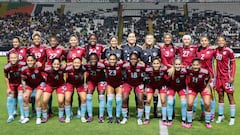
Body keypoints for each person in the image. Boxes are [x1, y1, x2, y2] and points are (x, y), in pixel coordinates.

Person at [215, 36, 236, 125]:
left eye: (222, 40)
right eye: (219, 41)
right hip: (218, 78)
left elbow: (233, 64)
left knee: (230, 97)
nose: (220, 42)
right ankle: (220, 115)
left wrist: (232, 76)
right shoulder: (216, 50)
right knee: (220, 96)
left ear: (225, 42)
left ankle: (232, 118)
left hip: (227, 77)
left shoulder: (229, 51)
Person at [185, 58, 212, 128]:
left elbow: (210, 77)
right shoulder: (188, 69)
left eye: (197, 65)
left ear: (200, 65)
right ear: (191, 65)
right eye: (194, 65)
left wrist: (207, 86)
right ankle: (189, 122)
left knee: (207, 103)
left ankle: (208, 122)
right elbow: (180, 68)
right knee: (190, 103)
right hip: (192, 88)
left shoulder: (205, 72)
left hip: (202, 88)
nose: (195, 67)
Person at [194, 36, 216, 121]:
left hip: (210, 77)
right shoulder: (198, 51)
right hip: (200, 77)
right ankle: (204, 113)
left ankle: (212, 114)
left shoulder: (212, 51)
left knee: (211, 96)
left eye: (205, 41)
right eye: (202, 41)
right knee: (203, 97)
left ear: (208, 42)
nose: (203, 42)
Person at [120, 53, 145, 125]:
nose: (133, 60)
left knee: (140, 99)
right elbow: (118, 68)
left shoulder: (141, 66)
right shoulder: (125, 66)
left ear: (137, 60)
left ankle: (139, 117)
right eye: (131, 59)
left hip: (138, 83)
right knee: (124, 98)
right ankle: (125, 117)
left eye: (134, 59)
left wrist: (145, 85)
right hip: (128, 83)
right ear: (129, 59)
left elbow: (148, 70)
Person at [20, 55, 45, 124]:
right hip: (30, 85)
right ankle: (26, 117)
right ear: (26, 61)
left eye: (31, 60)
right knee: (25, 97)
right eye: (28, 61)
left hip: (39, 83)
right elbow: (23, 79)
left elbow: (46, 72)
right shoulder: (24, 69)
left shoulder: (39, 67)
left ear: (34, 61)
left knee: (37, 98)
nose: (30, 62)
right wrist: (24, 88)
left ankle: (38, 117)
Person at [45, 36, 66, 118]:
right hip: (50, 72)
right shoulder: (46, 49)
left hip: (58, 70)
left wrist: (65, 63)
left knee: (61, 96)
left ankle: (63, 111)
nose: (53, 42)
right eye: (51, 41)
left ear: (57, 42)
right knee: (48, 95)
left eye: (54, 41)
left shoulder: (61, 49)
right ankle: (49, 111)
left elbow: (67, 56)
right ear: (49, 42)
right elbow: (44, 59)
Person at [27, 32, 46, 117]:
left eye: (38, 38)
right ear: (33, 40)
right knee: (33, 92)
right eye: (35, 39)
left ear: (40, 39)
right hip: (32, 73)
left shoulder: (44, 48)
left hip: (42, 73)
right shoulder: (30, 49)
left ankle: (47, 109)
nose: (37, 40)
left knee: (45, 92)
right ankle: (34, 108)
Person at [141, 34, 161, 118]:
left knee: (156, 93)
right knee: (146, 93)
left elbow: (160, 60)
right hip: (146, 74)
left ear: (154, 40)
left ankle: (155, 110)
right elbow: (139, 60)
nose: (149, 40)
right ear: (145, 40)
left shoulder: (157, 49)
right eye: (147, 38)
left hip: (155, 75)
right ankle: (146, 111)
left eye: (151, 38)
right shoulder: (142, 50)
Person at [41, 58, 66, 123]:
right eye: (54, 64)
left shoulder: (62, 69)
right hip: (49, 85)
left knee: (61, 101)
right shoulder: (47, 69)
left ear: (60, 64)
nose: (56, 66)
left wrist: (66, 64)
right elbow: (40, 69)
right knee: (44, 101)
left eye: (58, 64)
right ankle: (44, 116)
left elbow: (71, 66)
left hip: (60, 85)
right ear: (51, 64)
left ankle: (60, 116)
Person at [66, 35, 86, 118]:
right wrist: (69, 64)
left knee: (79, 94)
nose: (73, 41)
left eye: (75, 40)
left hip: (79, 75)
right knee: (70, 94)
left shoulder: (81, 50)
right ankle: (69, 110)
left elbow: (86, 59)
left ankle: (79, 109)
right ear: (69, 41)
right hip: (69, 76)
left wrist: (82, 63)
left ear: (77, 41)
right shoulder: (67, 51)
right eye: (72, 40)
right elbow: (62, 62)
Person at [144, 57, 168, 125]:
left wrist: (157, 89)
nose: (156, 65)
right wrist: (145, 88)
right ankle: (147, 118)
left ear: (160, 64)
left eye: (157, 63)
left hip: (161, 85)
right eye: (154, 63)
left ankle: (164, 118)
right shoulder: (148, 70)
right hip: (151, 86)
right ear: (152, 64)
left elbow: (166, 79)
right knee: (148, 100)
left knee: (163, 100)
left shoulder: (164, 69)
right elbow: (146, 79)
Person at [4, 53, 26, 123]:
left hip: (20, 83)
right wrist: (8, 88)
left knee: (20, 97)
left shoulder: (23, 64)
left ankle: (23, 115)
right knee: (9, 98)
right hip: (12, 84)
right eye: (12, 58)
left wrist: (25, 86)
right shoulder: (6, 67)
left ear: (18, 58)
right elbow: (6, 77)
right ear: (9, 59)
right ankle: (11, 116)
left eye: (15, 58)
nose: (13, 59)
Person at [84, 53, 106, 123]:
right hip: (91, 81)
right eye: (91, 59)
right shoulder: (87, 65)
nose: (93, 60)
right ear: (89, 60)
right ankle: (90, 116)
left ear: (97, 59)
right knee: (88, 97)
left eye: (95, 59)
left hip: (101, 81)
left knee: (101, 97)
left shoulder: (102, 66)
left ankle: (101, 116)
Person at [65, 57, 87, 123]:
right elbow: (60, 69)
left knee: (83, 98)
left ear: (81, 63)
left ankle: (82, 116)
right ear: (72, 63)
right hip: (70, 83)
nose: (77, 64)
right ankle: (68, 116)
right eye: (75, 63)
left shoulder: (84, 68)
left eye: (78, 63)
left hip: (80, 84)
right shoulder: (68, 68)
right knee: (67, 98)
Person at [166, 58, 187, 126]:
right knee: (169, 102)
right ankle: (169, 120)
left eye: (179, 64)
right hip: (171, 88)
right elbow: (165, 80)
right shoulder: (169, 71)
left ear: (181, 65)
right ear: (173, 65)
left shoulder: (185, 71)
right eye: (176, 64)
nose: (177, 66)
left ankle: (183, 120)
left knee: (184, 103)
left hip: (181, 88)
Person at [104, 54, 123, 124]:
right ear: (108, 60)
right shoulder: (105, 64)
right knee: (109, 100)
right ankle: (110, 117)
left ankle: (117, 117)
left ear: (116, 60)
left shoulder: (120, 65)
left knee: (118, 100)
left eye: (113, 59)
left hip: (119, 84)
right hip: (110, 84)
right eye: (110, 59)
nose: (112, 61)